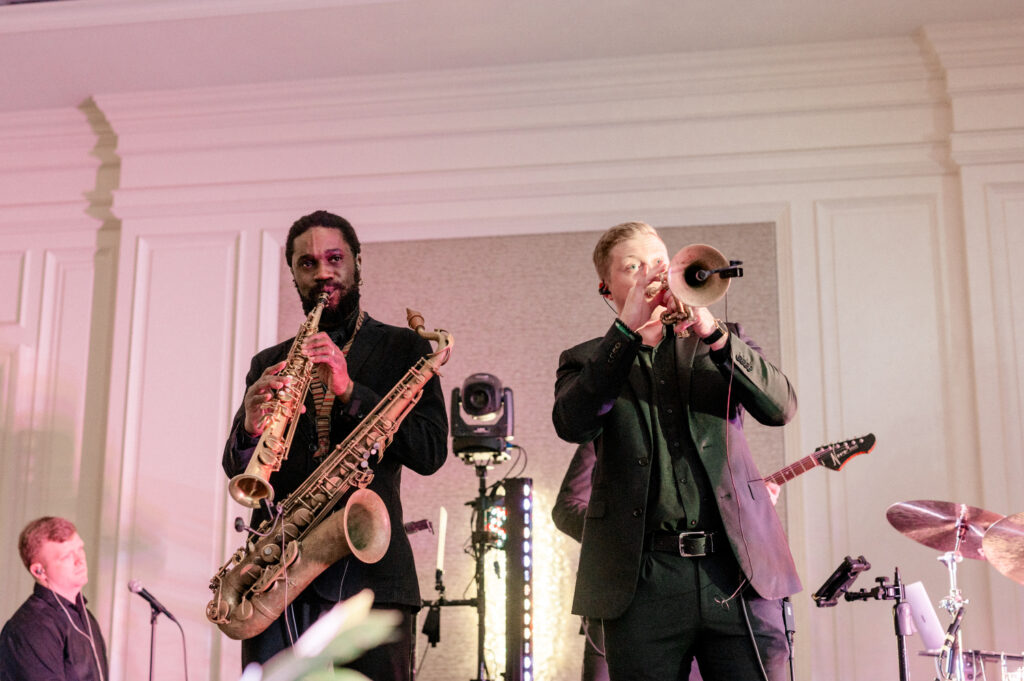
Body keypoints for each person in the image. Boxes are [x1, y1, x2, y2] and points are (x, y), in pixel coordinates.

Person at [551, 221, 800, 681]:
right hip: (642, 583)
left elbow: (781, 408)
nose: (652, 275)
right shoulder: (585, 360)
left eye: (660, 264)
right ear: (607, 287)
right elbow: (573, 422)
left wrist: (713, 331)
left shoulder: (722, 341)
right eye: (634, 266)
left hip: (738, 571)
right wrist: (625, 335)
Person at [222, 210, 448, 680]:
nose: (323, 272)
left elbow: (430, 451)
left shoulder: (404, 350)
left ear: (357, 263)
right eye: (308, 264)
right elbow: (235, 465)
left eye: (334, 258)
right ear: (294, 276)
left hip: (373, 580)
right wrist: (249, 425)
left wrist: (351, 392)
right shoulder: (269, 361)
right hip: (278, 580)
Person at [1, 516, 109, 681]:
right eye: (67, 557)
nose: (80, 561)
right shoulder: (30, 627)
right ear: (39, 571)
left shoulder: (86, 618)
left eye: (80, 549)